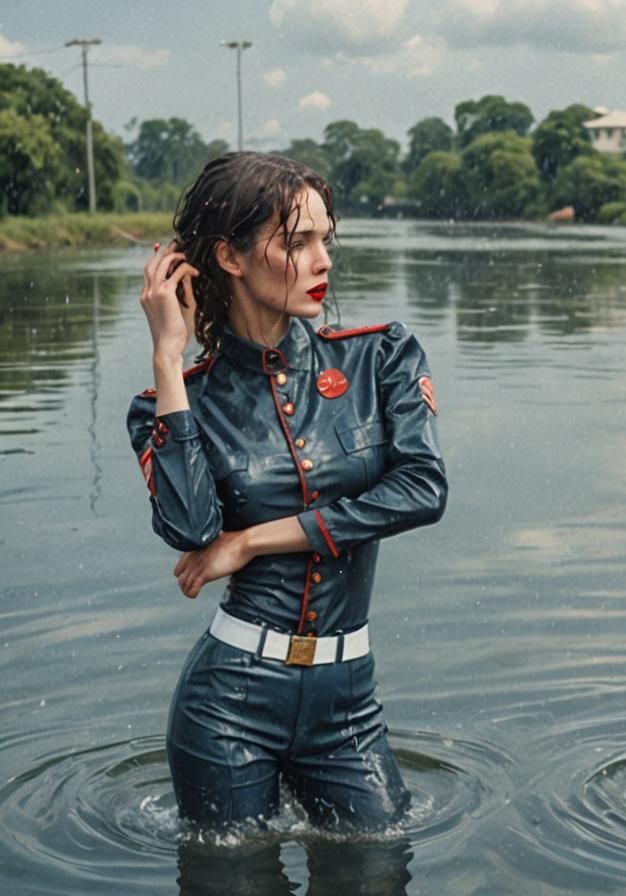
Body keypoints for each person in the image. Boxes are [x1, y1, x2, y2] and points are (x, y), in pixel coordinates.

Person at [127, 152, 447, 831]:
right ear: (231, 257)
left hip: (349, 704)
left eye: (325, 238)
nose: (321, 258)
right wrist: (168, 359)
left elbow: (422, 490)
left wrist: (250, 541)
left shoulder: (379, 356)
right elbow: (188, 530)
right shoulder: (172, 404)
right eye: (296, 242)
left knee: (378, 867)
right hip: (226, 706)